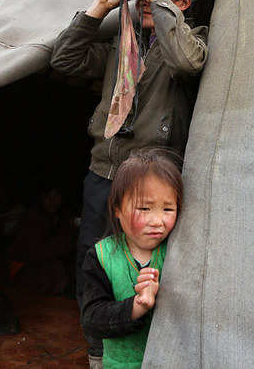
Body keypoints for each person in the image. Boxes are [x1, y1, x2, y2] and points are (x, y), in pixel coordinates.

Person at [50, 0, 206, 362]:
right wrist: (102, 5)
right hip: (104, 173)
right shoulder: (124, 45)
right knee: (98, 264)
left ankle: (151, 353)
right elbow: (64, 60)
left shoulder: (191, 41)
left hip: (152, 182)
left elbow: (186, 62)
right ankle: (98, 354)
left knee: (149, 268)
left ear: (183, 2)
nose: (150, 0)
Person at [80, 148, 183, 369]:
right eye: (144, 208)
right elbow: (92, 320)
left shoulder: (180, 252)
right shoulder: (101, 257)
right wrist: (137, 307)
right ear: (117, 209)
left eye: (168, 209)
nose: (157, 221)